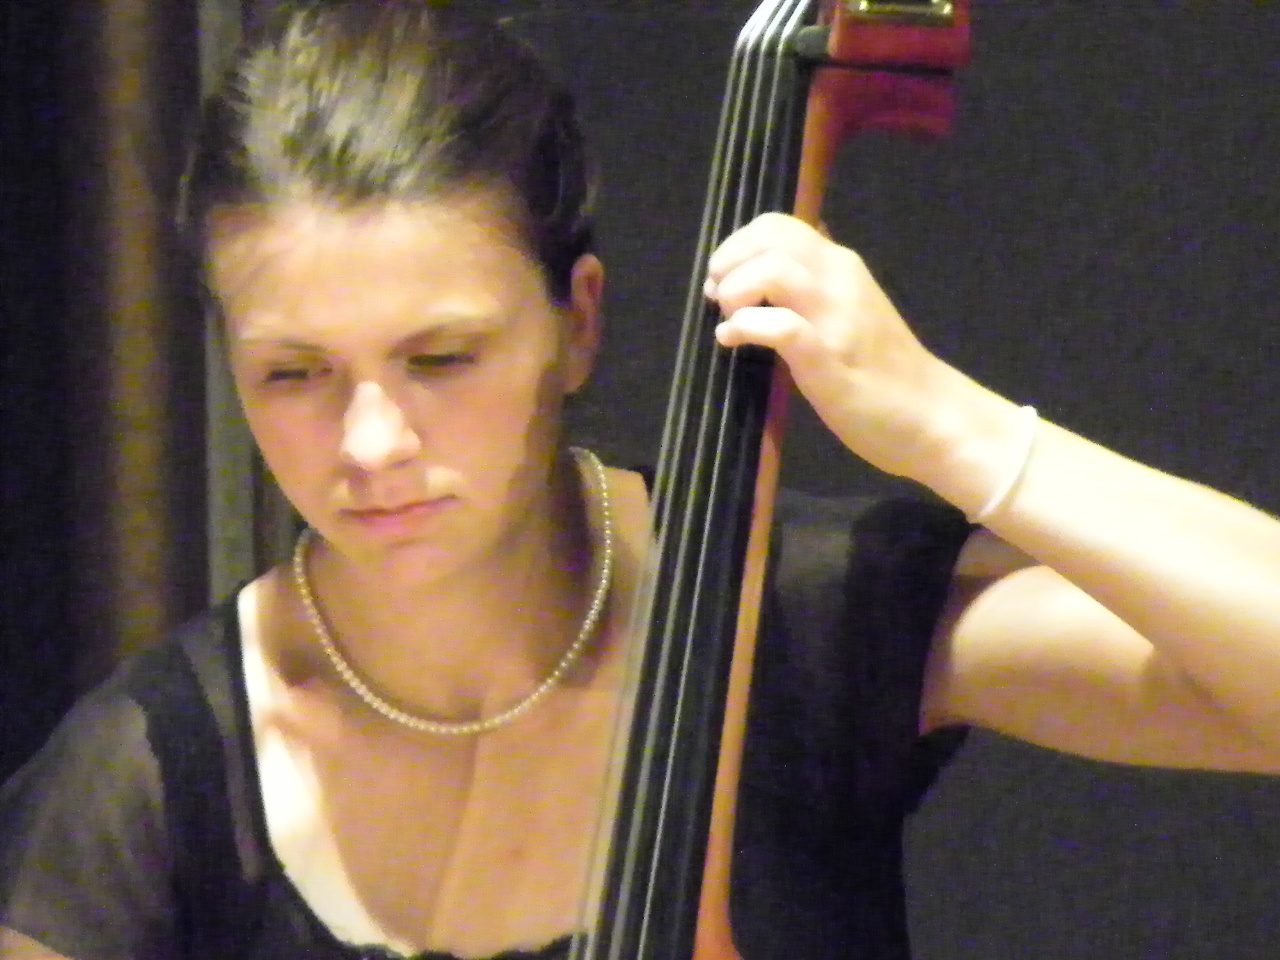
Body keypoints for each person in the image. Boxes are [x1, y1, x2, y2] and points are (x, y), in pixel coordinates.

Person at [4, 3, 1280, 959]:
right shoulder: (148, 782)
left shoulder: (779, 616)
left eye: (441, 358)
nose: (370, 441)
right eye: (293, 373)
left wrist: (955, 430)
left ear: (577, 323)